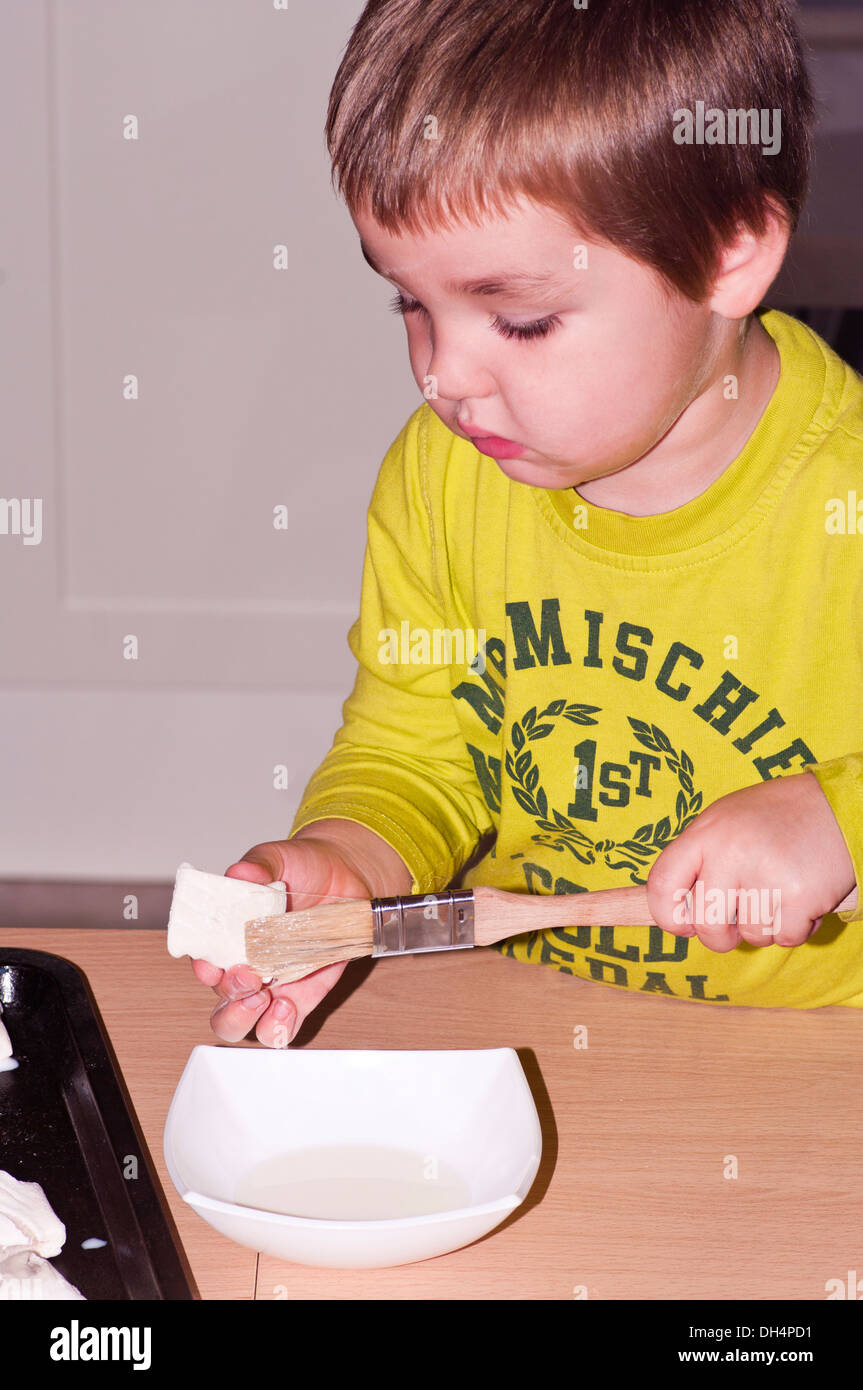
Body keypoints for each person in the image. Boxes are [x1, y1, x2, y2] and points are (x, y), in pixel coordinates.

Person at [194, 0, 863, 1044]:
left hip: (810, 1063)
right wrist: (346, 860)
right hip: (537, 1025)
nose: (442, 375)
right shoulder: (441, 478)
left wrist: (840, 824)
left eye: (521, 319)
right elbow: (416, 749)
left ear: (730, 253)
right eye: (408, 304)